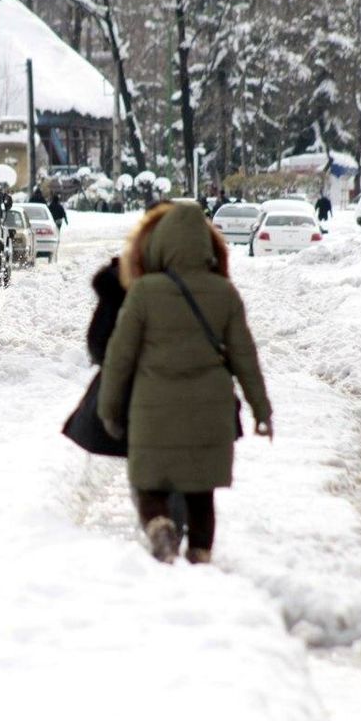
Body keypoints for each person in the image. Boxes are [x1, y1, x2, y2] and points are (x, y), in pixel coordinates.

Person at [98, 201, 272, 565]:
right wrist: (261, 410)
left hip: (153, 410)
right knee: (201, 493)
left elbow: (120, 357)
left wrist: (109, 408)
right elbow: (245, 358)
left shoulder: (145, 292)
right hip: (209, 413)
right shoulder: (225, 293)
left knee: (151, 486)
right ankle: (201, 557)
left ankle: (160, 528)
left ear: (160, 244)